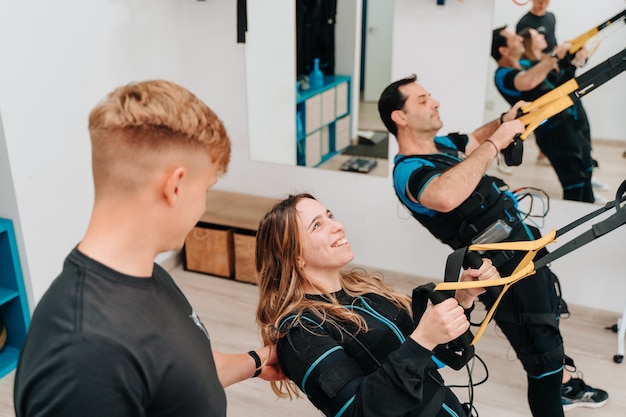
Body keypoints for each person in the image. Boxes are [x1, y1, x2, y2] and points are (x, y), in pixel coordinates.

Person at [13, 80, 284, 417]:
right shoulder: (83, 354)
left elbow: (182, 373)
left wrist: (258, 361)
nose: (202, 207)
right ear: (175, 186)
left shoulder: (147, 274)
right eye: (207, 190)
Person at [378, 75, 608, 416]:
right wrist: (496, 144)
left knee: (547, 326)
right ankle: (555, 391)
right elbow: (443, 195)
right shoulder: (408, 172)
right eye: (423, 100)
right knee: (541, 357)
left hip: (524, 251)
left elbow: (472, 138)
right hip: (499, 272)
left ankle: (564, 382)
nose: (436, 102)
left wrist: (503, 121)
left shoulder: (442, 146)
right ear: (400, 117)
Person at [255, 193, 500, 417]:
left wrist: (463, 298)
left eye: (330, 216)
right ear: (295, 256)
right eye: (317, 225)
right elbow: (358, 412)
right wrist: (423, 338)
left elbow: (427, 359)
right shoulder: (301, 333)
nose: (337, 226)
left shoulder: (363, 290)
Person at [492, 26, 596, 203]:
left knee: (586, 173)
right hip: (554, 136)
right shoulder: (502, 75)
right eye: (514, 38)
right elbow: (528, 81)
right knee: (574, 183)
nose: (519, 39)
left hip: (571, 126)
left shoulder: (528, 65)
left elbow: (556, 78)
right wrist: (559, 57)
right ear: (503, 50)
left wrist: (572, 58)